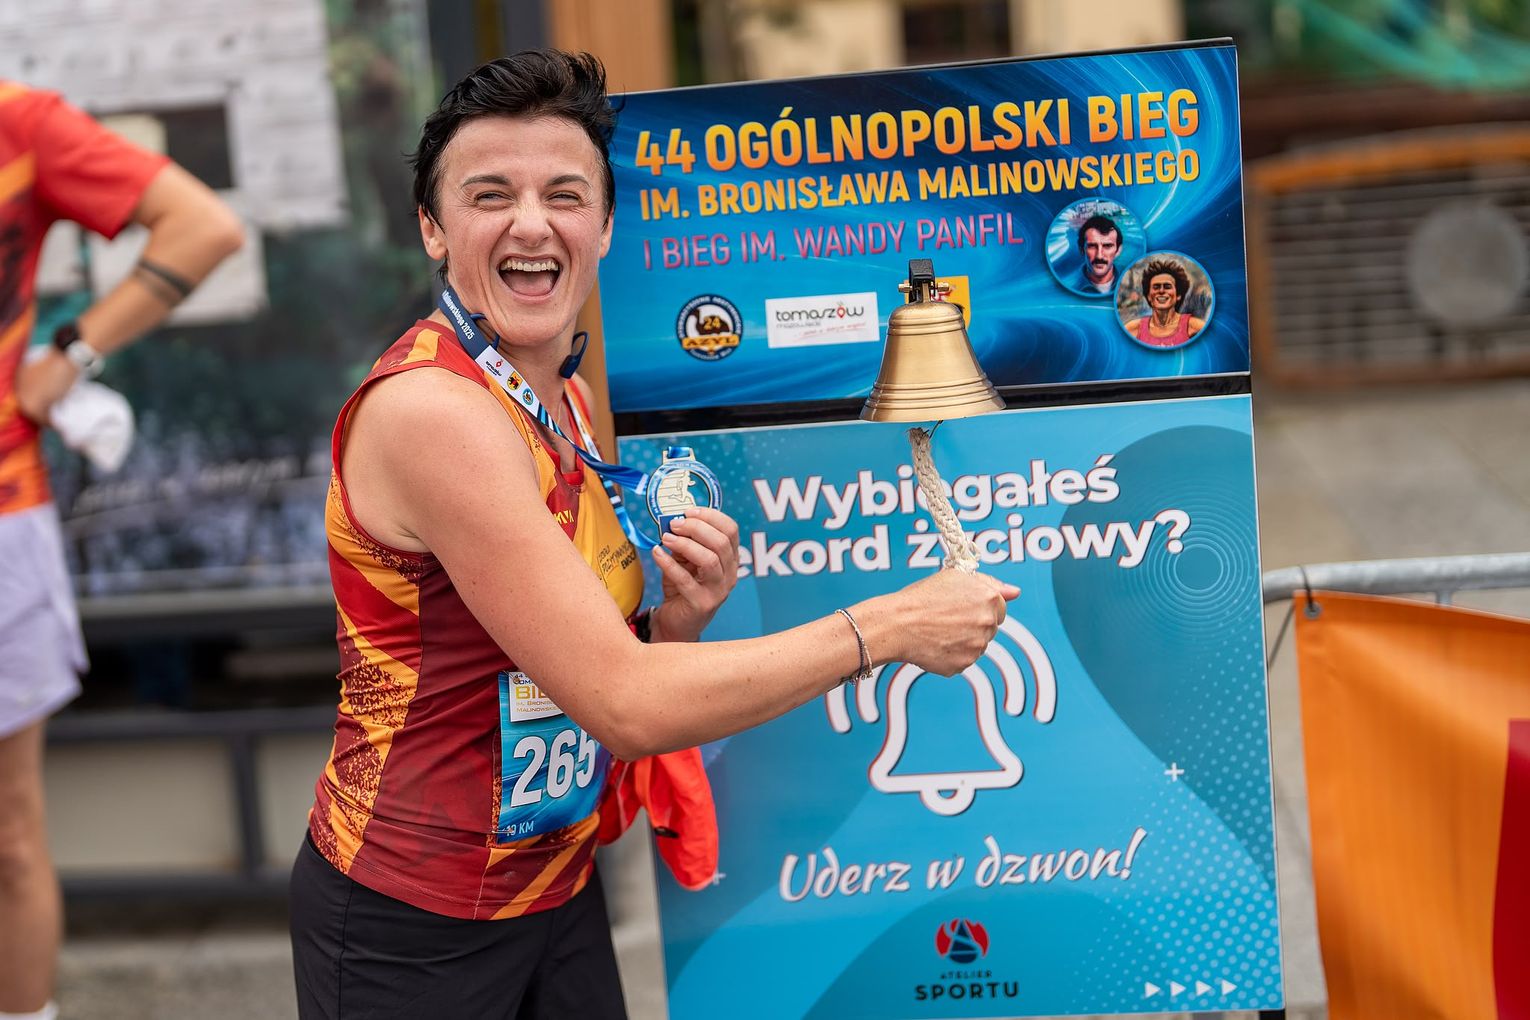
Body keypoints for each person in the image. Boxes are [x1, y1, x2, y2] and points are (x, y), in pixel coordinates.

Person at [288, 50, 1017, 1020]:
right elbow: (625, 705)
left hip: (555, 881)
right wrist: (890, 628)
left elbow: (581, 654)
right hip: (412, 917)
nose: (532, 223)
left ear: (604, 225)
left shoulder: (563, 395)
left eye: (564, 195)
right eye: (490, 195)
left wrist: (676, 621)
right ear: (433, 228)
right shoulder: (436, 413)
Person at [0, 83, 244, 1020]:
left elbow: (203, 226)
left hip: (4, 513)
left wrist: (71, 353)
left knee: (9, 836)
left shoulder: (20, 124)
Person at [1124, 257, 1206, 347]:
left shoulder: (1194, 326)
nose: (1161, 291)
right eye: (1156, 287)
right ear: (1148, 296)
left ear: (1178, 295)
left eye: (1167, 287)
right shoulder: (1133, 329)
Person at [1077, 213, 1122, 294]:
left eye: (1107, 246)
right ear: (1081, 250)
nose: (1099, 256)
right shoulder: (1066, 288)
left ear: (1118, 250)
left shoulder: (1133, 283)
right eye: (1092, 246)